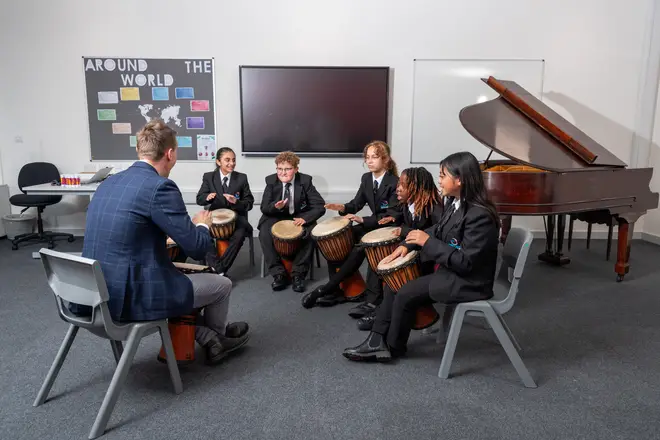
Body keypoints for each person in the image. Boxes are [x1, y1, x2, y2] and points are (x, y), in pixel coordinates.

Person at [79, 119, 250, 365]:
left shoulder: (107, 183)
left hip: (95, 294)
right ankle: (218, 338)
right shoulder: (160, 188)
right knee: (221, 284)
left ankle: (205, 336)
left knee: (178, 272)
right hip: (132, 299)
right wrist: (202, 224)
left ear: (140, 150)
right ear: (169, 153)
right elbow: (197, 247)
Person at [342, 151, 500, 362]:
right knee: (394, 280)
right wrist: (409, 245)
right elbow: (437, 229)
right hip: (453, 272)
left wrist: (426, 242)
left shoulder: (479, 215)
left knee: (404, 291)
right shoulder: (455, 203)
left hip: (469, 282)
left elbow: (466, 263)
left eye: (443, 175)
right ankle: (378, 340)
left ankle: (391, 346)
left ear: (460, 179)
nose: (439, 180)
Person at [303, 140, 398, 309]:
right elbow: (356, 203)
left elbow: (392, 213)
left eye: (374, 157)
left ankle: (328, 288)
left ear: (386, 160)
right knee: (337, 240)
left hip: (387, 227)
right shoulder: (366, 178)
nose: (369, 161)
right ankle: (337, 290)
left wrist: (364, 220)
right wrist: (343, 207)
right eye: (367, 157)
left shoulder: (394, 182)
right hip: (371, 225)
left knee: (360, 247)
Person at [351, 166, 445, 331]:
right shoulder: (408, 204)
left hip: (428, 259)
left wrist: (405, 233)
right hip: (414, 250)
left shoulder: (434, 207)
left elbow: (436, 232)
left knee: (393, 268)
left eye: (403, 184)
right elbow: (399, 219)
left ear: (417, 188)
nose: (398, 188)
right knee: (379, 255)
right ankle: (376, 304)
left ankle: (383, 314)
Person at [258, 151, 326, 293]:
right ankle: (278, 274)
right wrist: (275, 207)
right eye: (279, 169)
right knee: (264, 231)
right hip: (276, 216)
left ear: (295, 169)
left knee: (311, 232)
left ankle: (298, 275)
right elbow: (264, 208)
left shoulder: (305, 181)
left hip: (299, 216)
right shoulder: (271, 181)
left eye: (287, 169)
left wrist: (305, 219)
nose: (283, 173)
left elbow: (319, 206)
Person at [196, 147, 255, 276]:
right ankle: (218, 268)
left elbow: (249, 202)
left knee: (239, 235)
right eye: (227, 160)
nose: (232, 163)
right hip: (214, 218)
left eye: (233, 160)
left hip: (236, 218)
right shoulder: (209, 177)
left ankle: (219, 269)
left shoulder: (241, 178)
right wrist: (207, 197)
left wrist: (236, 202)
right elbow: (199, 199)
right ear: (218, 162)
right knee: (204, 234)